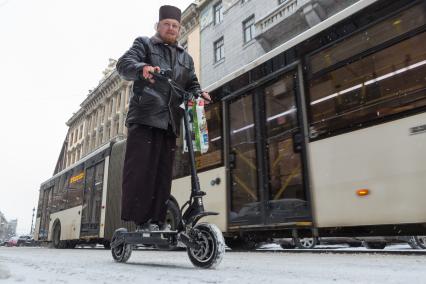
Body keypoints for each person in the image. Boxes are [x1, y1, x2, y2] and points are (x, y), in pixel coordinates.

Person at [116, 5, 210, 231]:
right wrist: (142, 68)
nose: (171, 28)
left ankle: (157, 220)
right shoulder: (144, 44)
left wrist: (199, 93)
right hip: (145, 117)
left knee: (162, 174)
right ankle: (142, 221)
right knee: (141, 171)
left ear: (179, 29)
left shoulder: (185, 58)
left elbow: (191, 83)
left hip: (170, 122)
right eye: (166, 24)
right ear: (158, 26)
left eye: (175, 25)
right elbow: (124, 65)